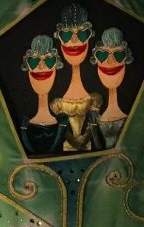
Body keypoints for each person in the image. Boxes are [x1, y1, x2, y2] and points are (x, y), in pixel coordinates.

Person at [50, 3, 104, 151]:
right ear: (60, 40)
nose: (74, 40)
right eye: (67, 35)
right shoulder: (57, 103)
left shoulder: (95, 99)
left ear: (89, 38)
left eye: (82, 34)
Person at [19, 35, 69, 155]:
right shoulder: (24, 125)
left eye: (49, 60)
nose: (41, 66)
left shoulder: (62, 122)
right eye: (34, 61)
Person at [90, 27, 133, 149]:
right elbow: (98, 147)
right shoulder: (95, 114)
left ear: (126, 59)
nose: (110, 61)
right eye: (103, 55)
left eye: (118, 54)